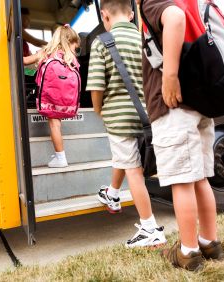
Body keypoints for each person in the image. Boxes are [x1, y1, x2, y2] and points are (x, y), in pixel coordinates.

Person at [138, 0, 224, 271]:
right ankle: (210, 242)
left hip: (173, 105)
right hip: (199, 102)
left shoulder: (153, 2)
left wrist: (170, 76)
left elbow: (174, 19)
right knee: (199, 179)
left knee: (181, 181)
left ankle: (188, 251)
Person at [86, 0, 166, 248]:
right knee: (127, 157)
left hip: (119, 117)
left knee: (133, 169)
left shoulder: (102, 43)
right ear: (132, 15)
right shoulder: (144, 40)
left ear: (104, 15)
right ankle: (112, 194)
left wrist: (100, 110)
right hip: (147, 115)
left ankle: (149, 227)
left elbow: (97, 86)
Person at [38, 25, 81, 168]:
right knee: (57, 123)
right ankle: (59, 156)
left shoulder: (46, 52)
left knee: (54, 125)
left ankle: (60, 157)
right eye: (75, 45)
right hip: (66, 101)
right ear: (71, 42)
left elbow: (24, 61)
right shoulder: (72, 59)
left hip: (50, 98)